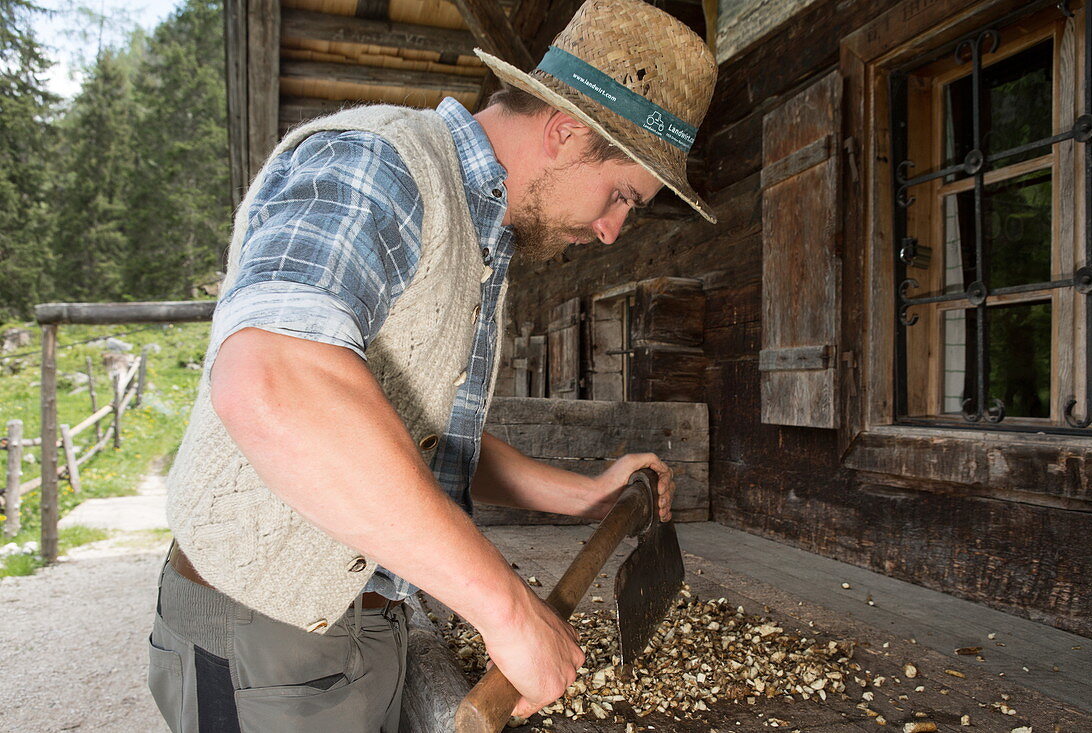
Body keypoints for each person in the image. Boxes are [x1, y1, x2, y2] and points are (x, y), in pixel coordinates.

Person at [147, 0, 717, 729]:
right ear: (569, 131)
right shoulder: (378, 163)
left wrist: (582, 493)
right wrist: (506, 609)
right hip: (265, 632)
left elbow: (412, 433)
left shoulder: (483, 235)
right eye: (621, 196)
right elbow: (272, 381)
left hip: (369, 625)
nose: (611, 231)